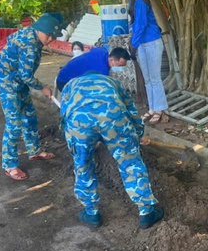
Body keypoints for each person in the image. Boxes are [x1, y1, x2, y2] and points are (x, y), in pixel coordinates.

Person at [60, 73, 164, 229]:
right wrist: (139, 134)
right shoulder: (113, 82)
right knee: (131, 162)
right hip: (113, 116)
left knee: (83, 164)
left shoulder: (70, 85)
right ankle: (146, 212)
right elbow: (131, 110)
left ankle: (91, 213)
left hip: (79, 122)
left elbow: (64, 117)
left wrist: (79, 146)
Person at [0, 13, 62, 180]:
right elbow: (26, 76)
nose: (50, 39)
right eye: (48, 34)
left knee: (29, 116)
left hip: (18, 80)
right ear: (39, 30)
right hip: (5, 80)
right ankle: (10, 165)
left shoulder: (33, 35)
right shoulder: (29, 44)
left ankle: (34, 151)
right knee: (14, 123)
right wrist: (42, 87)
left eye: (53, 36)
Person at [123, 0, 169, 125]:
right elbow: (136, 25)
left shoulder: (140, 0)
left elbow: (141, 25)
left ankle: (160, 109)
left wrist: (133, 45)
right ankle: (152, 107)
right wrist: (134, 43)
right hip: (142, 44)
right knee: (148, 79)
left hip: (152, 42)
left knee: (155, 78)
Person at [55, 46, 130, 92]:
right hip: (65, 82)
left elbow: (93, 49)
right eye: (119, 66)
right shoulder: (102, 72)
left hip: (64, 72)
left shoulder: (101, 51)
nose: (120, 68)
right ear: (111, 60)